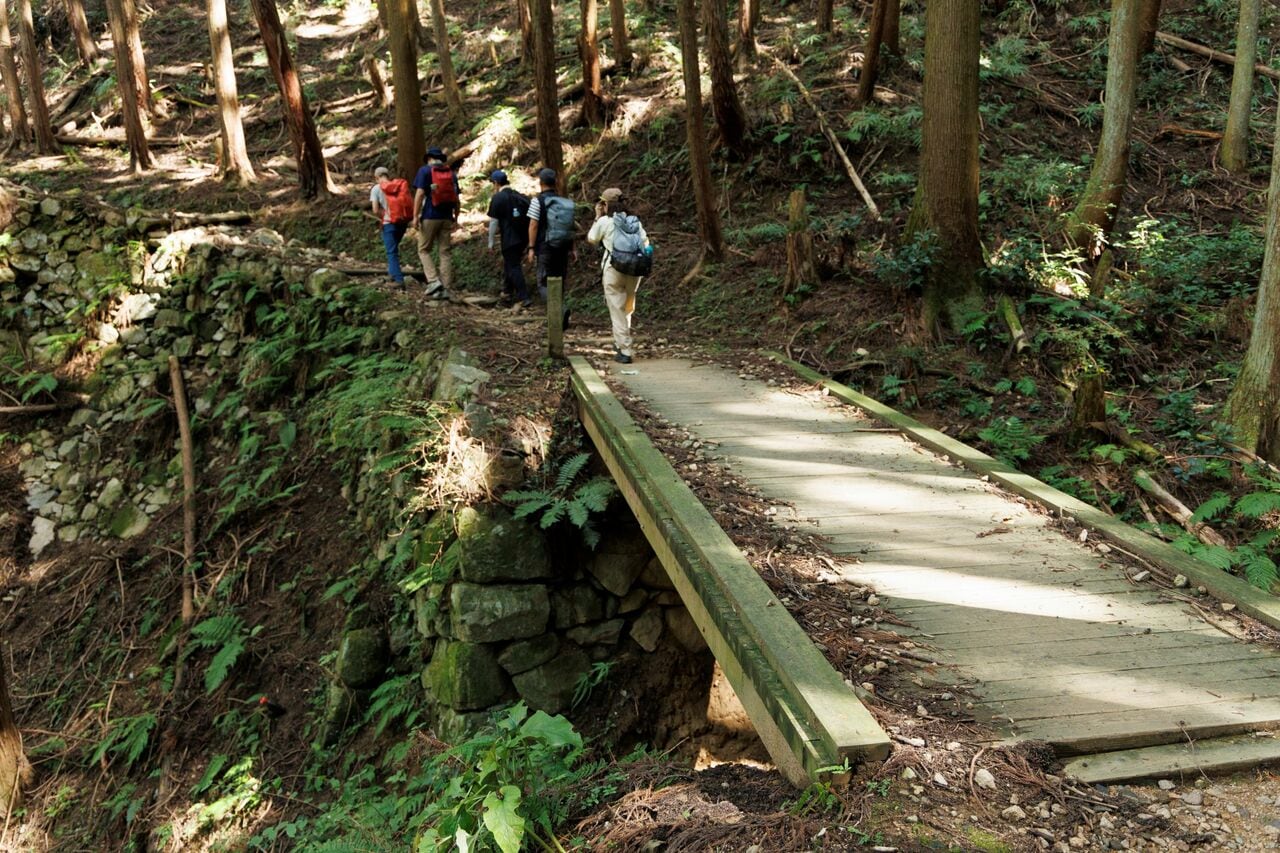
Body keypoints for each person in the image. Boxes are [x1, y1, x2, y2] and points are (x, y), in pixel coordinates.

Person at [587, 187, 650, 364]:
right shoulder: (634, 221)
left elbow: (592, 238)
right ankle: (621, 341)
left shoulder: (605, 221)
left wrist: (597, 217)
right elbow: (645, 242)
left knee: (617, 308)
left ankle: (625, 350)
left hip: (613, 269)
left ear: (606, 204)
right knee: (627, 306)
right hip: (634, 270)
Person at [412, 147, 460, 299]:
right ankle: (446, 287)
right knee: (445, 252)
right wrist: (456, 218)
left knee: (423, 249)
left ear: (429, 158)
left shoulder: (425, 171)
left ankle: (433, 281)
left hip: (430, 216)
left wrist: (415, 216)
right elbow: (457, 199)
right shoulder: (451, 174)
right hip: (447, 217)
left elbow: (420, 194)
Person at [525, 168, 576, 302]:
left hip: (545, 248)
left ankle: (557, 311)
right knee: (560, 280)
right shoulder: (563, 202)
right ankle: (559, 312)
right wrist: (573, 247)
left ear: (540, 183)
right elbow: (570, 225)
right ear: (556, 183)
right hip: (563, 247)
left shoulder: (537, 201)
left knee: (543, 282)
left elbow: (533, 225)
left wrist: (531, 248)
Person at [486, 170, 531, 308]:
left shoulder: (498, 198)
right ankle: (507, 293)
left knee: (513, 266)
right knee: (510, 264)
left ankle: (524, 297)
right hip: (523, 238)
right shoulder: (519, 196)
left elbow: (493, 222)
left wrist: (491, 242)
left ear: (496, 183)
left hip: (510, 238)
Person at [370, 166, 413, 288]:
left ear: (377, 177)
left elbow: (375, 210)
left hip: (389, 224)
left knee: (391, 252)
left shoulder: (376, 189)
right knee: (393, 249)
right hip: (402, 222)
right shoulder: (399, 186)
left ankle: (399, 280)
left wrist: (383, 215)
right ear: (388, 175)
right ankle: (392, 274)